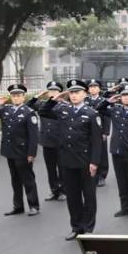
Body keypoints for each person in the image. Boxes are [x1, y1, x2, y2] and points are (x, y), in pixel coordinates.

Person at [35, 79, 102, 240]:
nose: (74, 95)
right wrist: (55, 97)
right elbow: (43, 112)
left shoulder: (92, 114)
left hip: (85, 161)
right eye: (71, 92)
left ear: (84, 94)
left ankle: (88, 227)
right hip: (67, 160)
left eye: (77, 92)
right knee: (73, 196)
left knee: (89, 195)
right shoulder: (62, 110)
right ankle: (76, 226)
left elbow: (96, 141)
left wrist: (94, 162)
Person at [0, 83, 40, 216]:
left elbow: (33, 136)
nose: (16, 98)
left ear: (23, 97)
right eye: (13, 95)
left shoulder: (29, 113)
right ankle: (18, 206)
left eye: (18, 95)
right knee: (15, 180)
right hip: (10, 151)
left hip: (23, 152)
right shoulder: (7, 110)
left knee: (28, 179)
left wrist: (31, 153)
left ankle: (34, 205)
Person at [96, 83, 128, 218]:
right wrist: (108, 101)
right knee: (121, 180)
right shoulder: (115, 110)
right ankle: (124, 207)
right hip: (117, 150)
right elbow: (98, 109)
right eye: (123, 96)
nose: (125, 98)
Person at [37, 80, 65, 201]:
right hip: (47, 141)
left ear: (60, 93)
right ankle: (54, 191)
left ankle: (63, 190)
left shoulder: (64, 106)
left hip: (60, 142)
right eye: (50, 91)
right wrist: (36, 96)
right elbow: (28, 105)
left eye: (55, 91)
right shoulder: (43, 105)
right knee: (50, 168)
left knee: (62, 168)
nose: (53, 93)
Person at [86, 79, 111, 187]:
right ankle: (90, 173)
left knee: (102, 153)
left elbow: (107, 117)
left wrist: (105, 132)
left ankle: (101, 175)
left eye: (95, 87)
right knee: (88, 152)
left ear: (99, 89)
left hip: (100, 131)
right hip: (86, 131)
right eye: (91, 87)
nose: (93, 89)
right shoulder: (85, 100)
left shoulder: (103, 101)